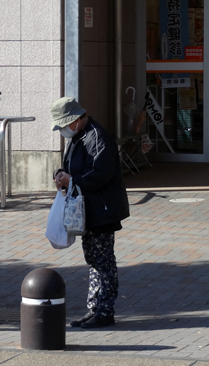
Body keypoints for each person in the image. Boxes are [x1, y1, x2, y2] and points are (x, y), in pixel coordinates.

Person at [50, 97, 130, 329]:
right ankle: (94, 308)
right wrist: (60, 175)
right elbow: (70, 166)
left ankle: (104, 311)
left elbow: (99, 174)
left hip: (101, 210)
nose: (63, 129)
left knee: (103, 261)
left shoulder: (97, 136)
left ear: (75, 119)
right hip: (88, 208)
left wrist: (71, 180)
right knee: (94, 260)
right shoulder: (79, 136)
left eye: (64, 124)